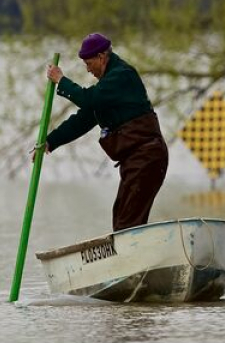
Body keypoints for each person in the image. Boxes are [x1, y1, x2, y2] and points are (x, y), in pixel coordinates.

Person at [39, 33, 168, 231]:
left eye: (89, 63)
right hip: (137, 160)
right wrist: (51, 141)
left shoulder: (121, 75)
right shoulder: (107, 88)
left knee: (127, 222)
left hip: (146, 157)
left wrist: (61, 81)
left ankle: (134, 257)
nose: (88, 70)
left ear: (101, 57)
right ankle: (132, 258)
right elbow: (84, 119)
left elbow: (88, 99)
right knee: (123, 220)